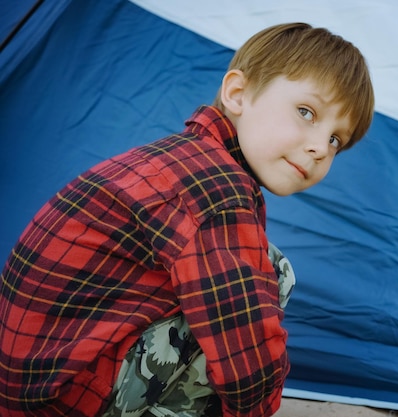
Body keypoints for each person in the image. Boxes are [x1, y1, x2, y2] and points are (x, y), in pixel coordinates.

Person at [0, 22, 374, 417]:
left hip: (35, 384)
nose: (319, 147)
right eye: (306, 112)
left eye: (336, 139)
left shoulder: (185, 157)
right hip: (64, 402)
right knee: (270, 274)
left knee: (243, 268)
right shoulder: (214, 190)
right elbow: (248, 359)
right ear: (238, 94)